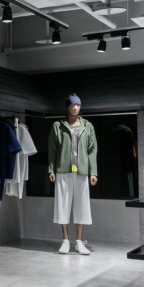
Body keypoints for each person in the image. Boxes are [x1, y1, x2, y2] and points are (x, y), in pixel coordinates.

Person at [48, 93, 98, 255]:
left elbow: (92, 150)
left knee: (81, 206)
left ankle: (79, 242)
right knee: (62, 204)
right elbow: (52, 150)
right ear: (68, 107)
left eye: (78, 105)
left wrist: (93, 172)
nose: (75, 108)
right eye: (72, 105)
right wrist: (51, 169)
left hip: (82, 171)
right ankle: (65, 240)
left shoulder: (87, 126)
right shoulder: (58, 126)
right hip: (63, 170)